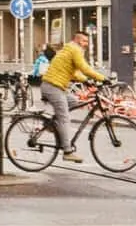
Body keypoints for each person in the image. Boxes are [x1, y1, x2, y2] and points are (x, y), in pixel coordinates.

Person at [41, 31, 107, 163]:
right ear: (77, 40)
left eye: (87, 42)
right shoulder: (74, 49)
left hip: (56, 86)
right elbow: (84, 68)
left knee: (75, 102)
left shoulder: (68, 49)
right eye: (84, 41)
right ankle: (67, 151)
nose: (86, 44)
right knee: (65, 118)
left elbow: (74, 73)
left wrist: (86, 81)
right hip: (53, 87)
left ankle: (52, 124)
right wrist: (103, 78)